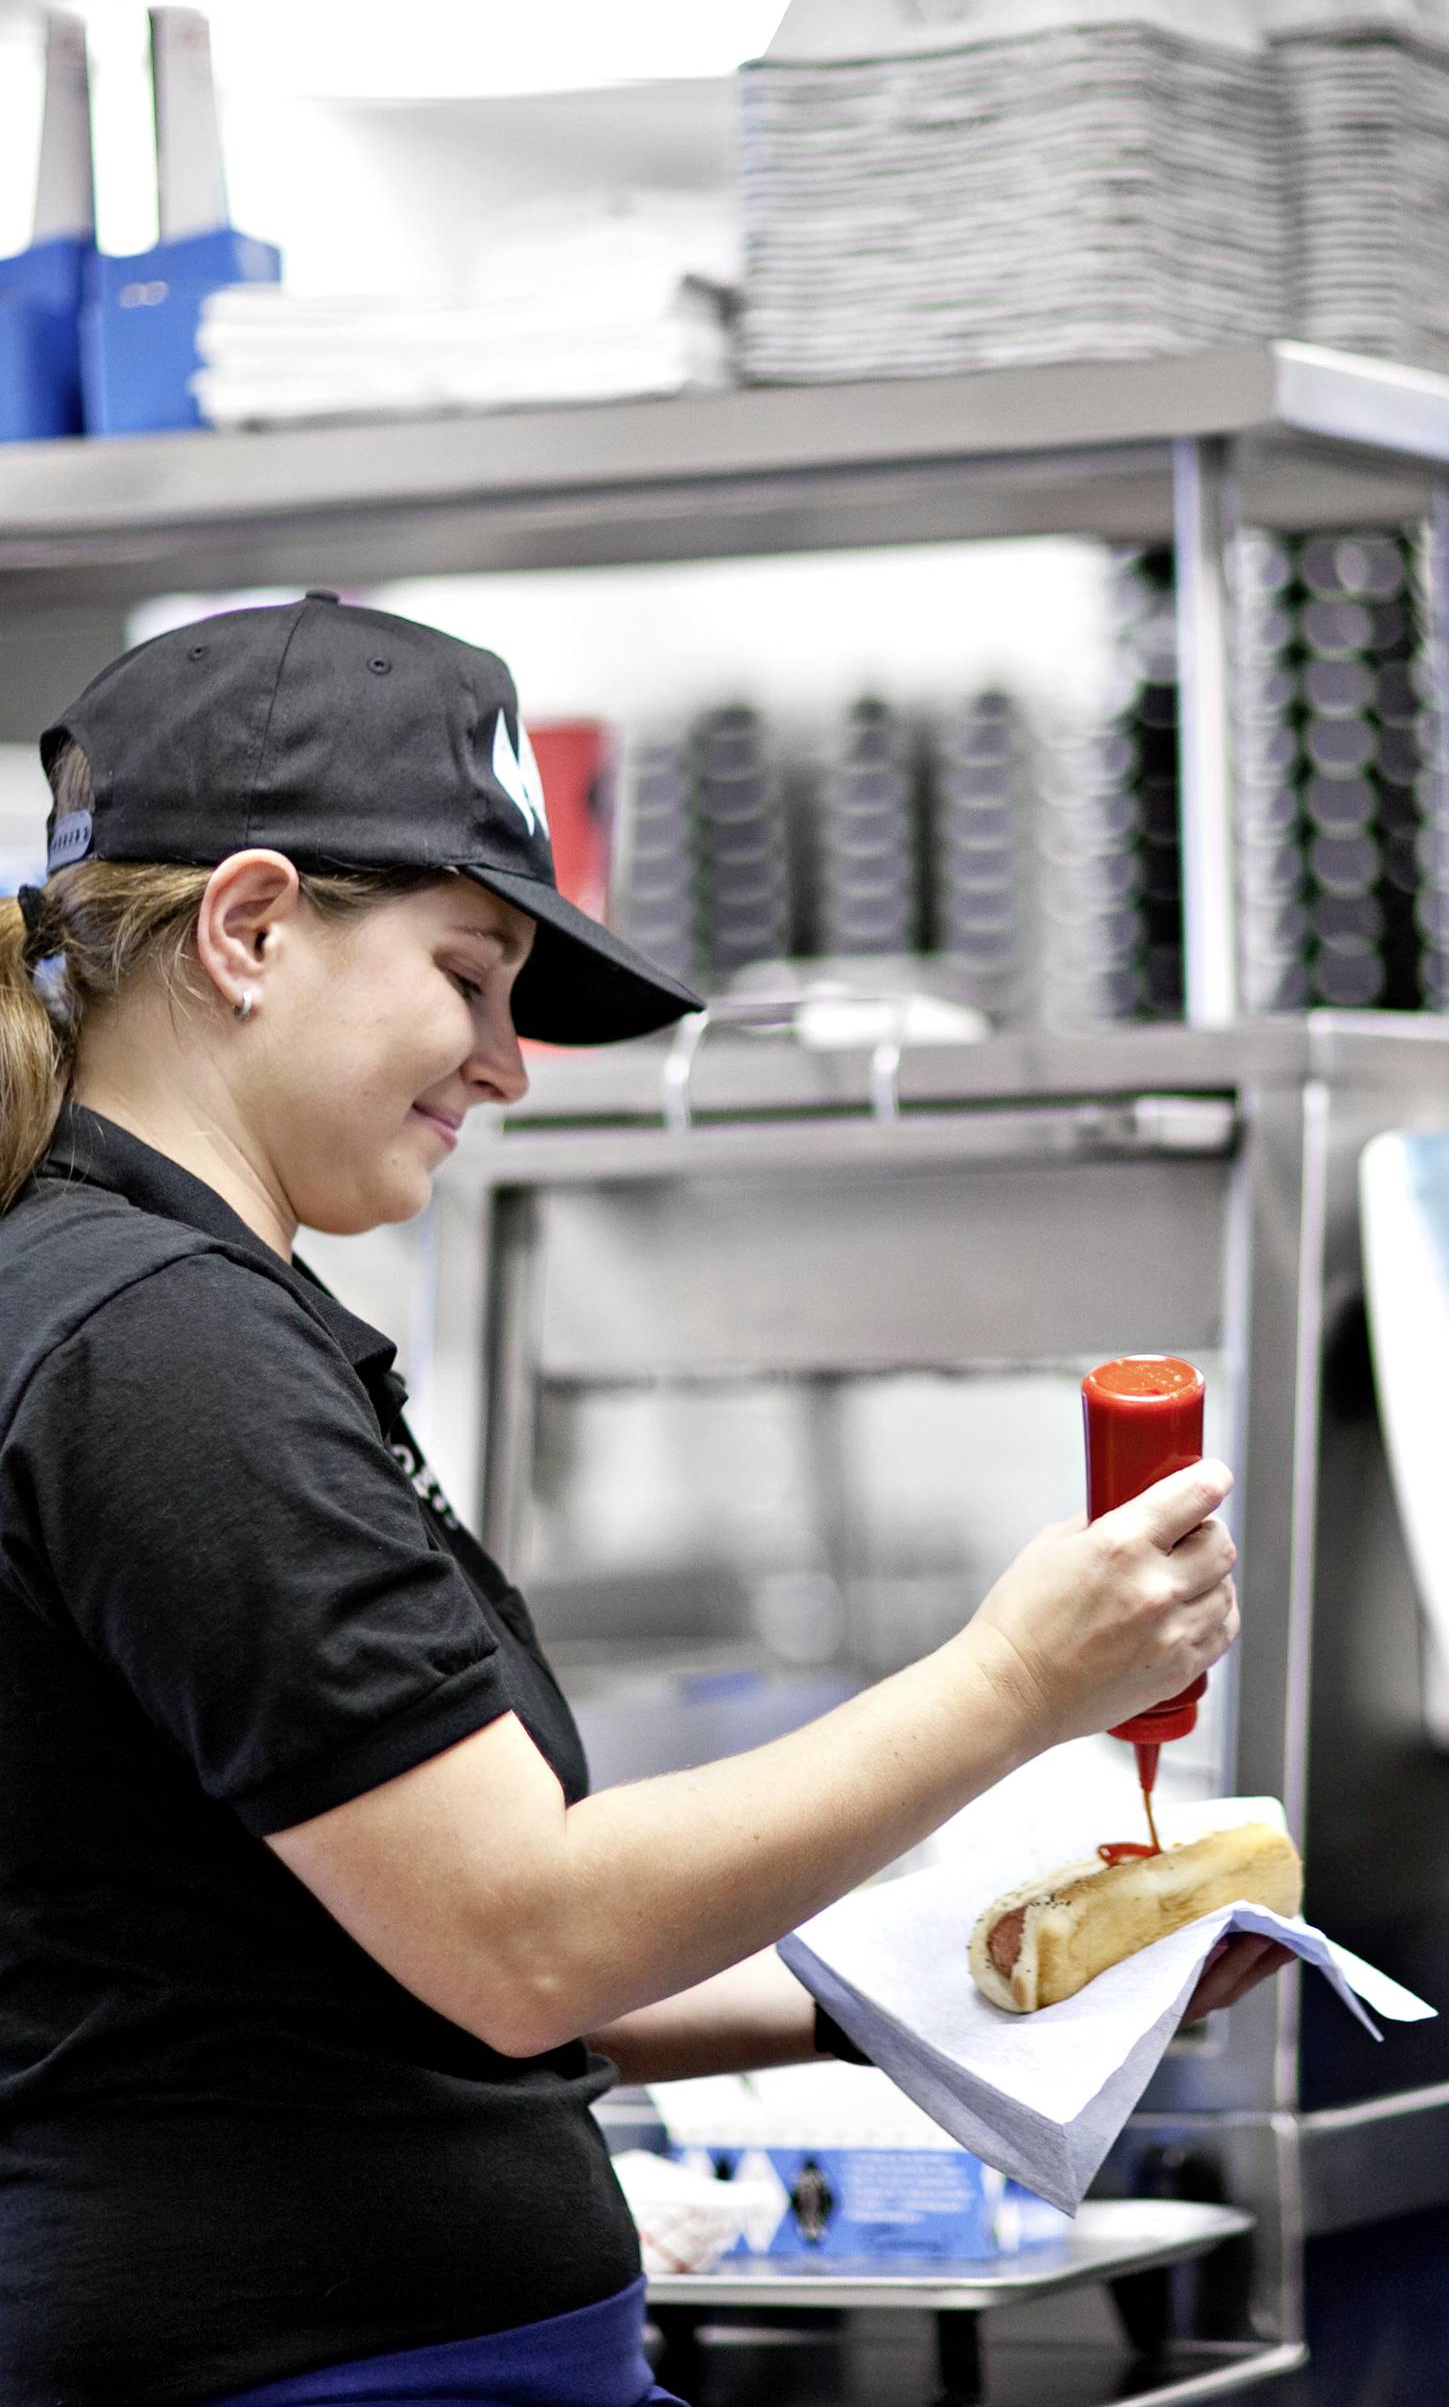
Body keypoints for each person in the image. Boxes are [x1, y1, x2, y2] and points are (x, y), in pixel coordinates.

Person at [0, 593, 1288, 2407]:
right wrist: (1016, 1684)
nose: (508, 1064)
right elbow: (524, 1937)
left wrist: (937, 1982)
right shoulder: (160, 1352)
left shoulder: (159, 1310)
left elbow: (397, 1956)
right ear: (251, 927)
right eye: (467, 978)